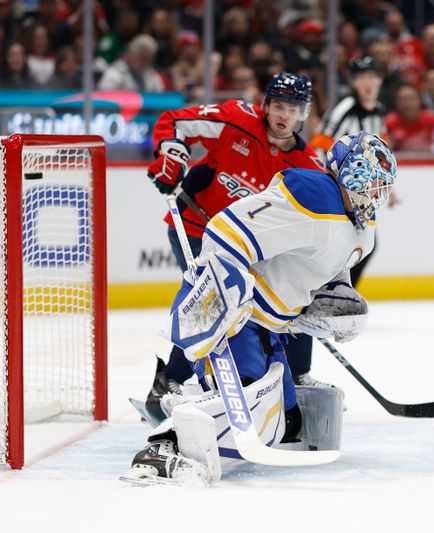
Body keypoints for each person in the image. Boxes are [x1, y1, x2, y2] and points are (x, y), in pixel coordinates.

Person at [125, 132, 397, 485]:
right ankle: (163, 446)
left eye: (381, 186)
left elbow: (329, 270)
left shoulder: (364, 227)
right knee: (246, 394)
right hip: (242, 318)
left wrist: (334, 304)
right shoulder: (312, 194)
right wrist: (223, 292)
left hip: (271, 329)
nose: (373, 193)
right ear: (345, 170)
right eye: (368, 179)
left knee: (287, 422)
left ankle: (182, 398)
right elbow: (226, 231)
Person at [144, 72, 328, 421]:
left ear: (303, 114)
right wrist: (171, 150)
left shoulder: (307, 168)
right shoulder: (237, 120)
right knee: (211, 298)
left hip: (246, 247)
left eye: (292, 109)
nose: (283, 115)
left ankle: (297, 377)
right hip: (198, 225)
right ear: (265, 105)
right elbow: (175, 121)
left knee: (284, 299)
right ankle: (169, 382)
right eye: (277, 106)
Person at [310, 55, 388, 289]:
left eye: (372, 77)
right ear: (353, 82)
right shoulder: (344, 109)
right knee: (346, 245)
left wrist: (385, 185)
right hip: (336, 188)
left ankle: (340, 294)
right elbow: (319, 145)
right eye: (362, 77)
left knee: (364, 245)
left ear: (380, 81)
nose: (368, 83)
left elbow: (379, 150)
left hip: (360, 192)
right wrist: (330, 183)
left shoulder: (379, 112)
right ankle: (331, 294)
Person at [386, 83, 434, 157]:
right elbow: (385, 151)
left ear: (419, 100)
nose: (407, 104)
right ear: (396, 103)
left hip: (431, 165)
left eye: (411, 98)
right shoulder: (390, 122)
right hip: (402, 166)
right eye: (402, 99)